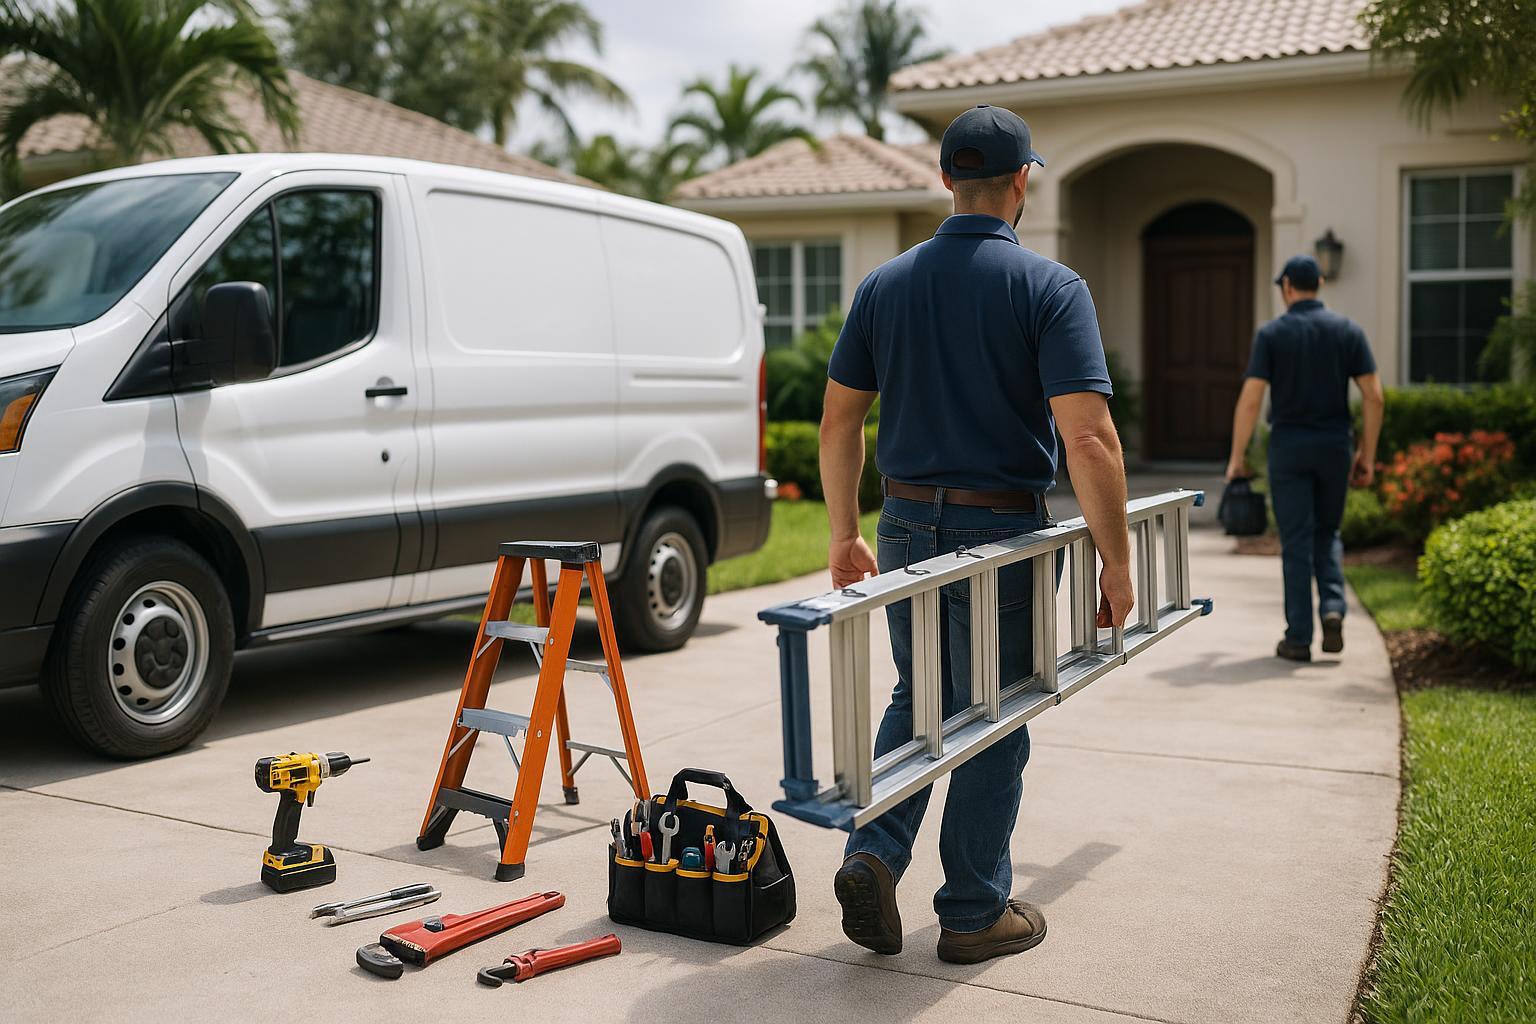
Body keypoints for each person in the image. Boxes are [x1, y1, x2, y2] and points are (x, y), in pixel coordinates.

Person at [817, 104, 1134, 965]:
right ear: (1022, 180)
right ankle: (971, 912)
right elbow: (1090, 438)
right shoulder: (1049, 287)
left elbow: (839, 421)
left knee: (920, 700)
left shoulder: (884, 285)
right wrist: (1117, 559)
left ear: (948, 179)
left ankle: (872, 857)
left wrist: (846, 531)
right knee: (998, 714)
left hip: (905, 523)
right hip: (1000, 532)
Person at [1225, 255, 1384, 661]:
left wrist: (1237, 457)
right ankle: (1332, 606)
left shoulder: (1273, 334)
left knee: (1295, 540)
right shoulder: (1348, 331)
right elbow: (1374, 396)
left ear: (1288, 288)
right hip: (1334, 446)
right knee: (1327, 533)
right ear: (1319, 285)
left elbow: (1251, 400)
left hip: (1290, 448)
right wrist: (1367, 454)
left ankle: (1298, 638)